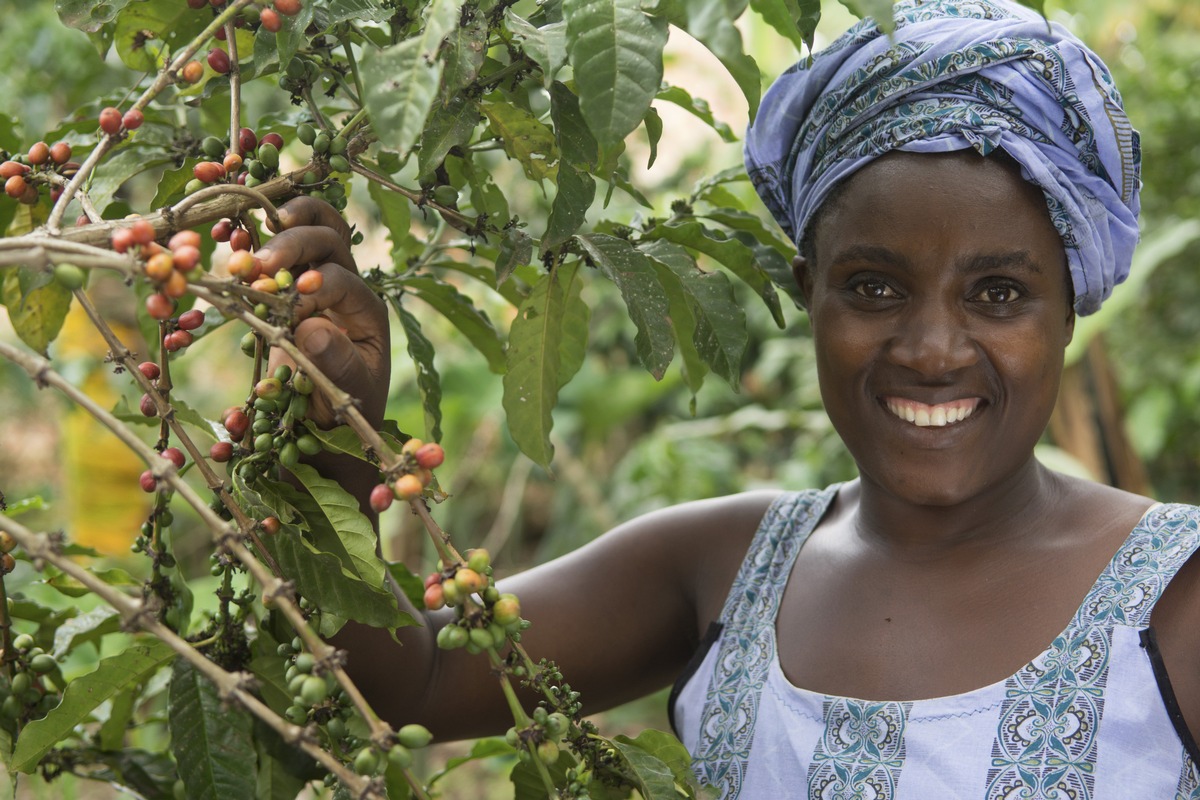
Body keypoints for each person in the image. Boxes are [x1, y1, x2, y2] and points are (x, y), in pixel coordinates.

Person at [254, 0, 1200, 795]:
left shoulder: (1179, 597)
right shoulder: (721, 567)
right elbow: (408, 681)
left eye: (999, 294)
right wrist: (342, 432)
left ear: (1070, 305)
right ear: (807, 291)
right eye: (874, 287)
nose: (933, 349)